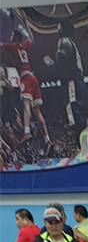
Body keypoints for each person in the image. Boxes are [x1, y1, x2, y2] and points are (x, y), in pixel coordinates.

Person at [1, 25, 53, 154]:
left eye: (12, 35)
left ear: (15, 37)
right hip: (34, 78)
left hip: (26, 78)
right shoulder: (24, 45)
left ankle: (26, 132)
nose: (10, 37)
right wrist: (26, 23)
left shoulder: (13, 46)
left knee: (26, 106)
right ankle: (47, 139)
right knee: (37, 111)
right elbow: (32, 38)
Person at [42, 20, 86, 142]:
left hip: (72, 84)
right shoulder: (72, 43)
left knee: (75, 118)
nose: (57, 30)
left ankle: (83, 148)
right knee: (78, 117)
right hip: (78, 83)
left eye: (58, 27)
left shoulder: (63, 41)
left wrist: (48, 62)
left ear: (62, 29)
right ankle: (84, 146)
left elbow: (57, 67)